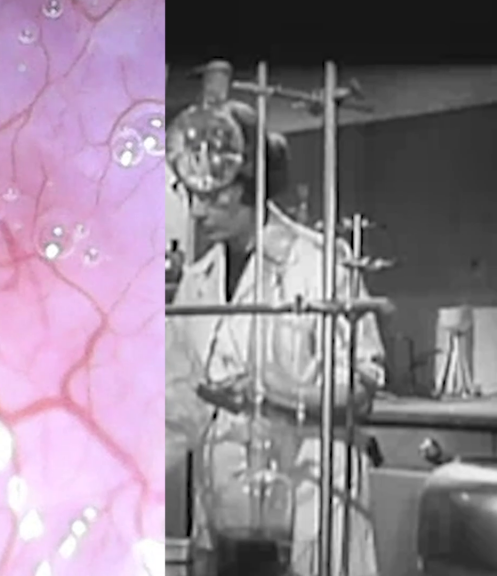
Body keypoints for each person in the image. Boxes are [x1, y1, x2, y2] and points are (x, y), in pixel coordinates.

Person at [166, 99, 386, 576]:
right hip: (225, 519)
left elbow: (363, 390)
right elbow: (178, 406)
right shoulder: (197, 281)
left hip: (311, 505)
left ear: (251, 184)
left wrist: (275, 393)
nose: (198, 210)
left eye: (214, 194)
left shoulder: (319, 263)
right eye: (191, 194)